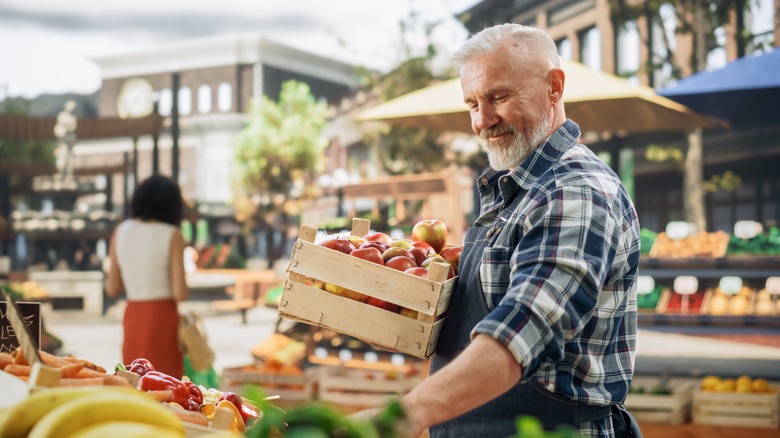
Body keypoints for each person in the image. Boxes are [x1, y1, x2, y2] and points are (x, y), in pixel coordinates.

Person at [360, 24, 643, 438]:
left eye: (498, 97)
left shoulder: (575, 193)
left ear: (554, 87)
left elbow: (522, 332)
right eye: (472, 103)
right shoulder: (512, 189)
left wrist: (404, 416)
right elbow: (482, 316)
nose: (482, 120)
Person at [106, 174, 189, 378]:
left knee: (135, 380)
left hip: (133, 315)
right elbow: (180, 293)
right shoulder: (172, 234)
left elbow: (112, 287)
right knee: (167, 388)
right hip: (163, 316)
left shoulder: (121, 231)